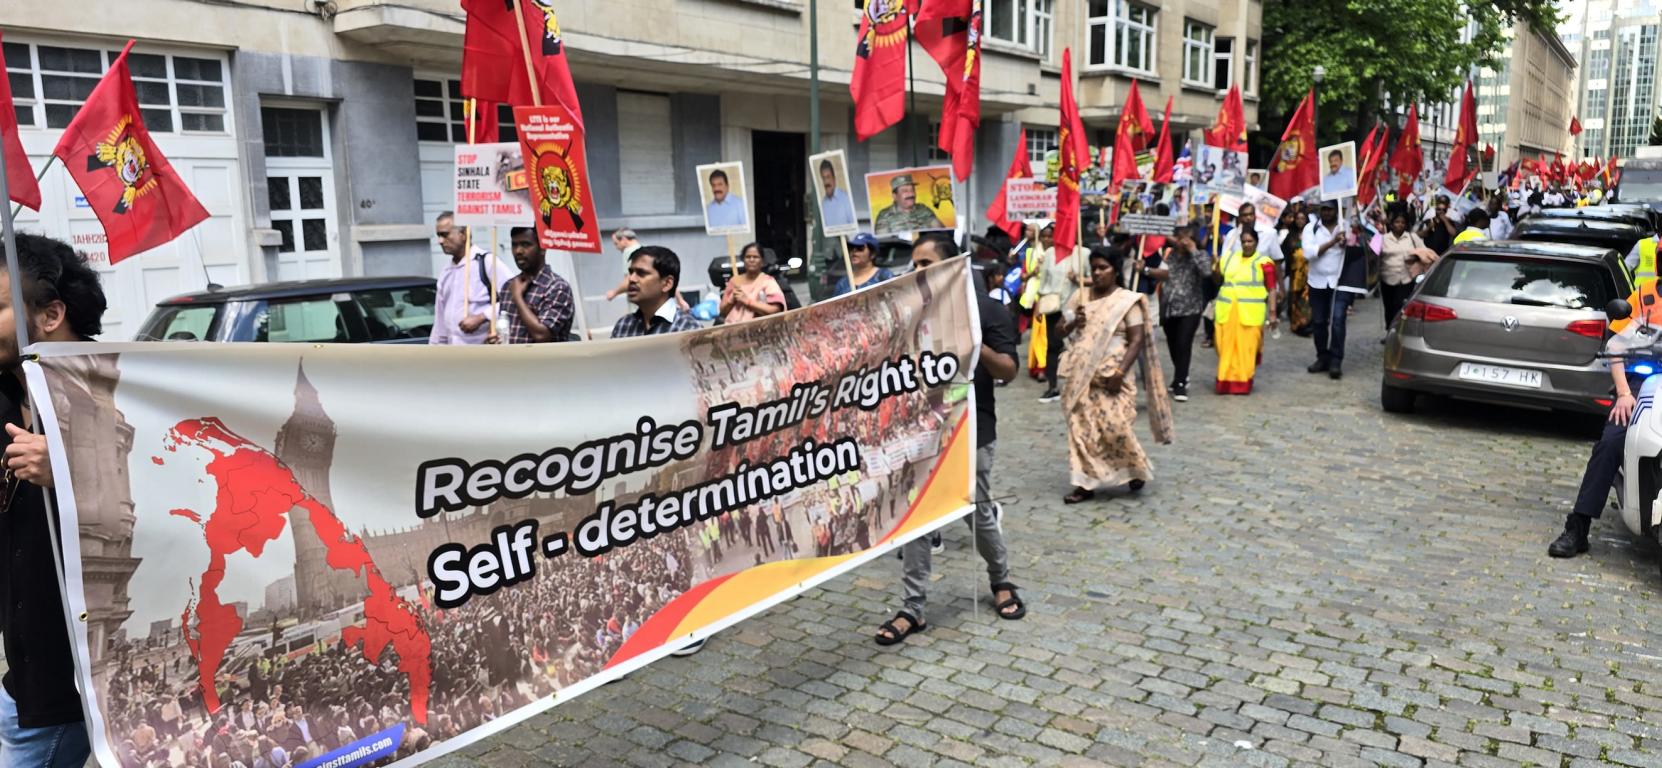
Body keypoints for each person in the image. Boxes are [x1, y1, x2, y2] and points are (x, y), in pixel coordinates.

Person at [874, 234, 1025, 646]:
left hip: (972, 431)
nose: (917, 271)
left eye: (926, 264)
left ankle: (1001, 579)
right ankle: (912, 607)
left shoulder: (987, 310)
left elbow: (1008, 370)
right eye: (915, 264)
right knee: (919, 517)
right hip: (922, 432)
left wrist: (973, 344)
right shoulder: (910, 312)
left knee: (976, 511)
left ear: (950, 266)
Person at [0, 234, 107, 768]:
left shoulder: (114, 398)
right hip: (24, 678)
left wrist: (69, 472)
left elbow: (173, 509)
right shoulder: (6, 392)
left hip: (79, 684)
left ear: (50, 315)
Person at [1549, 278, 1662, 558]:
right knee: (1612, 441)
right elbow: (1616, 345)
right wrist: (1624, 393)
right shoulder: (1647, 295)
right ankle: (1578, 527)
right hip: (1644, 384)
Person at [1057, 247, 1174, 504]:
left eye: (1103, 268)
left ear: (1115, 271)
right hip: (1081, 377)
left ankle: (1133, 469)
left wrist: (1120, 373)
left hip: (1113, 377)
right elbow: (1059, 330)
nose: (1097, 273)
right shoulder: (1080, 297)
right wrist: (1074, 322)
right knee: (1081, 431)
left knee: (1116, 429)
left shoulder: (1126, 301)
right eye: (1094, 268)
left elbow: (1136, 339)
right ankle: (1084, 484)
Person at [430, 211, 516, 345]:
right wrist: (435, 348)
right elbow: (440, 321)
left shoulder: (486, 262)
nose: (440, 241)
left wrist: (482, 317)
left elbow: (514, 297)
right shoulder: (446, 272)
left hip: (483, 350)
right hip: (453, 352)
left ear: (463, 234)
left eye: (445, 235)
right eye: (438, 236)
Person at [1147, 224, 1210, 402]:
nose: (1183, 241)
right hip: (1169, 306)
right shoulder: (1170, 255)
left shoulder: (1200, 255)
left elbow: (1206, 272)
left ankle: (1181, 382)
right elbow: (1163, 273)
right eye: (1180, 237)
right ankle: (1180, 375)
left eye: (1186, 237)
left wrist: (1193, 250)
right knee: (1173, 344)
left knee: (1184, 343)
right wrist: (1145, 270)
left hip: (1190, 308)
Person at [1214, 229, 1279, 394]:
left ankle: (1241, 385)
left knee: (1246, 350)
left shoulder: (1264, 262)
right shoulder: (1229, 258)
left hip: (1250, 314)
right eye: (1244, 241)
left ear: (1256, 242)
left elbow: (1272, 289)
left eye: (1250, 241)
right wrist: (1215, 265)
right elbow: (1217, 278)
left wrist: (1272, 313)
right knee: (1224, 349)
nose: (1246, 244)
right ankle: (1224, 383)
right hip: (1226, 311)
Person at [487, 227, 576, 344]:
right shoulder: (508, 286)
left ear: (543, 248)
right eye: (514, 245)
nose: (518, 251)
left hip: (543, 356)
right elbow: (505, 332)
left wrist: (517, 298)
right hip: (510, 356)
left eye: (525, 245)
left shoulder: (557, 288)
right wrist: (495, 339)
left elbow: (542, 335)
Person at [1303, 201, 1352, 378]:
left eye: (1330, 209)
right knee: (1318, 322)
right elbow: (1309, 253)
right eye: (1324, 209)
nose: (1327, 212)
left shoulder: (1345, 226)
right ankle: (1322, 357)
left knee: (1338, 320)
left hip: (1340, 282)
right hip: (1317, 282)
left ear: (1336, 210)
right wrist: (1332, 242)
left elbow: (1357, 247)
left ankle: (1336, 360)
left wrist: (1347, 242)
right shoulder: (1311, 228)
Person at [611, 245, 702, 337]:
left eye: (641, 273)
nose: (631, 279)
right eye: (631, 272)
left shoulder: (689, 329)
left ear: (667, 283)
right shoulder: (623, 325)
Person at [1034, 223, 1077, 403]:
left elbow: (1092, 279)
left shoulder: (1082, 253)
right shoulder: (1050, 254)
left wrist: (1079, 278)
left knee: (1076, 346)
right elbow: (1043, 282)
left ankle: (1077, 384)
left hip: (1074, 307)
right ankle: (1053, 387)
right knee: (1052, 346)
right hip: (1053, 307)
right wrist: (1039, 305)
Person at [1378, 212, 1426, 333]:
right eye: (1397, 222)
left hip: (1406, 278)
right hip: (1387, 278)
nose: (1400, 225)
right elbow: (1373, 255)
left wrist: (1415, 257)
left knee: (1400, 305)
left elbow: (1424, 252)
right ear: (1391, 224)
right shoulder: (1383, 238)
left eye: (1402, 222)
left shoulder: (1412, 237)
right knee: (1389, 306)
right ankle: (1390, 330)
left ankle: (1399, 330)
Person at [719, 242, 786, 324]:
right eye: (748, 257)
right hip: (733, 328)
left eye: (755, 257)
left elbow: (775, 311)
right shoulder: (734, 281)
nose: (751, 260)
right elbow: (723, 312)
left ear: (762, 261)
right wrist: (731, 300)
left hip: (759, 328)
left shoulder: (768, 282)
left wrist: (747, 301)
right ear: (743, 260)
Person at [1277, 208, 1313, 335]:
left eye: (1303, 218)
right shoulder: (1290, 236)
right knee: (1295, 299)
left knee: (1307, 298)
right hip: (1295, 273)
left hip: (1309, 273)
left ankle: (1308, 324)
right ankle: (1297, 324)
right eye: (1298, 218)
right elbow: (1282, 252)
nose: (1300, 221)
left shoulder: (1311, 234)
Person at [872, 174, 945, 233]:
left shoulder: (923, 209)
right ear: (895, 196)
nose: (911, 194)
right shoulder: (884, 215)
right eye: (905, 191)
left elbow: (941, 232)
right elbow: (884, 242)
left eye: (912, 190)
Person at [817, 159, 857, 229]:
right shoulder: (823, 204)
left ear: (834, 178)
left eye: (828, 177)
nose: (826, 182)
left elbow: (855, 229)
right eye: (823, 178)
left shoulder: (846, 199)